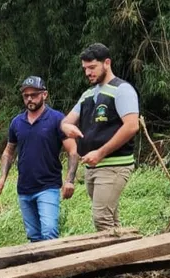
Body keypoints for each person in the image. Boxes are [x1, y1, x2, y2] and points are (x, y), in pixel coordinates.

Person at [61, 42, 141, 231]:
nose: (88, 72)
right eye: (85, 69)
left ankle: (111, 259)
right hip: (91, 166)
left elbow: (131, 126)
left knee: (101, 218)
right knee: (110, 218)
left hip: (114, 165)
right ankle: (124, 257)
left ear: (107, 63)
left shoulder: (122, 90)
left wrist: (101, 153)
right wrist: (66, 127)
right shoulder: (88, 94)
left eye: (92, 67)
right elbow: (66, 121)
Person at [0, 76, 79, 242]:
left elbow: (73, 151)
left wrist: (69, 180)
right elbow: (8, 152)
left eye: (34, 94)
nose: (30, 98)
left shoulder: (57, 119)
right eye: (26, 96)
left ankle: (55, 268)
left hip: (48, 186)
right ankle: (39, 267)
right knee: (34, 237)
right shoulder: (17, 122)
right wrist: (2, 178)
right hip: (24, 189)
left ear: (44, 95)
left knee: (50, 232)